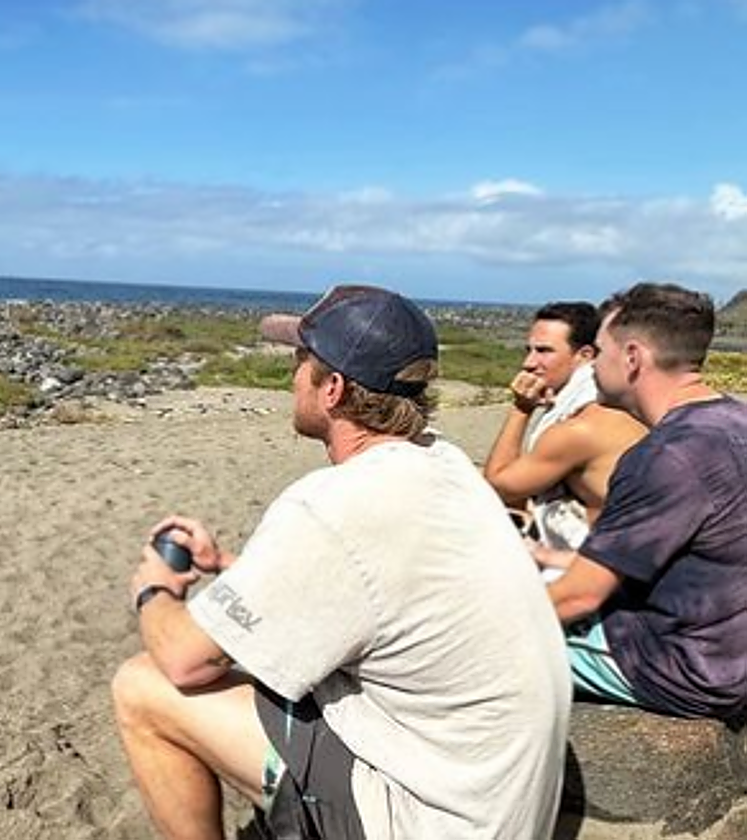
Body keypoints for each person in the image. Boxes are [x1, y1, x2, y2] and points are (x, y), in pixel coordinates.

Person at [112, 285, 571, 840]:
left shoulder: (332, 504)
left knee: (142, 687)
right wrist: (232, 564)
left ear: (331, 388)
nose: (291, 374)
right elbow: (367, 585)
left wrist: (155, 590)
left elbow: (186, 660)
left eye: (301, 360)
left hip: (426, 820)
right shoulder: (445, 464)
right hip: (499, 806)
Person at [540, 282, 747, 720]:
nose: (591, 366)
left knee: (470, 642)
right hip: (729, 649)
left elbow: (578, 599)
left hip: (678, 667)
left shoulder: (666, 454)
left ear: (632, 358)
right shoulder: (734, 422)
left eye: (598, 351)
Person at [483, 302, 645, 553]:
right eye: (529, 350)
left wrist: (521, 409)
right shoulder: (616, 402)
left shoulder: (582, 423)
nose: (528, 363)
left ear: (585, 356)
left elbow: (499, 487)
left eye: (544, 351)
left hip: (602, 570)